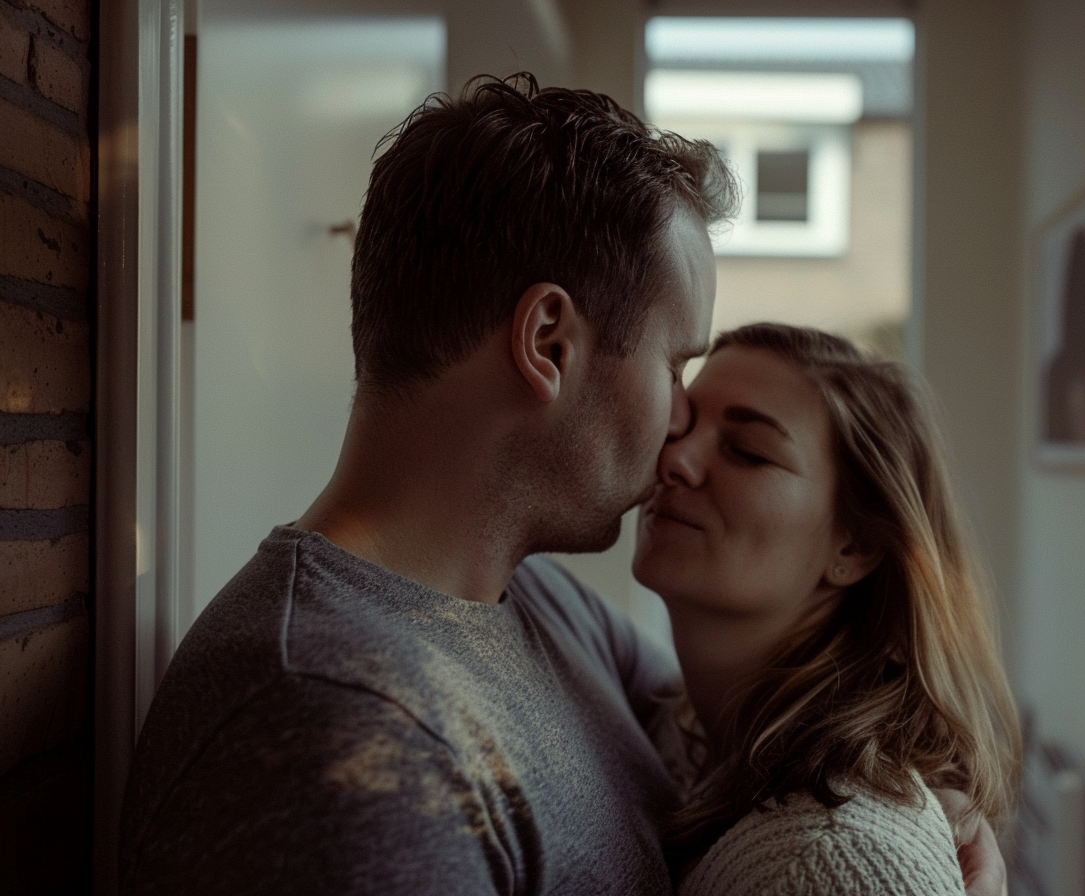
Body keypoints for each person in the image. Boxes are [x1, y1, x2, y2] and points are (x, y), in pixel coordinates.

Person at [119, 74, 1006, 895]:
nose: (676, 431)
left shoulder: (540, 605)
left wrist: (920, 813)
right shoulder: (339, 737)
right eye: (675, 366)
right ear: (549, 342)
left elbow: (736, 732)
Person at [633, 324, 1021, 895]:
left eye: (747, 452)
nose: (675, 460)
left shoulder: (835, 863)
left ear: (854, 547)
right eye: (681, 424)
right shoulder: (680, 729)